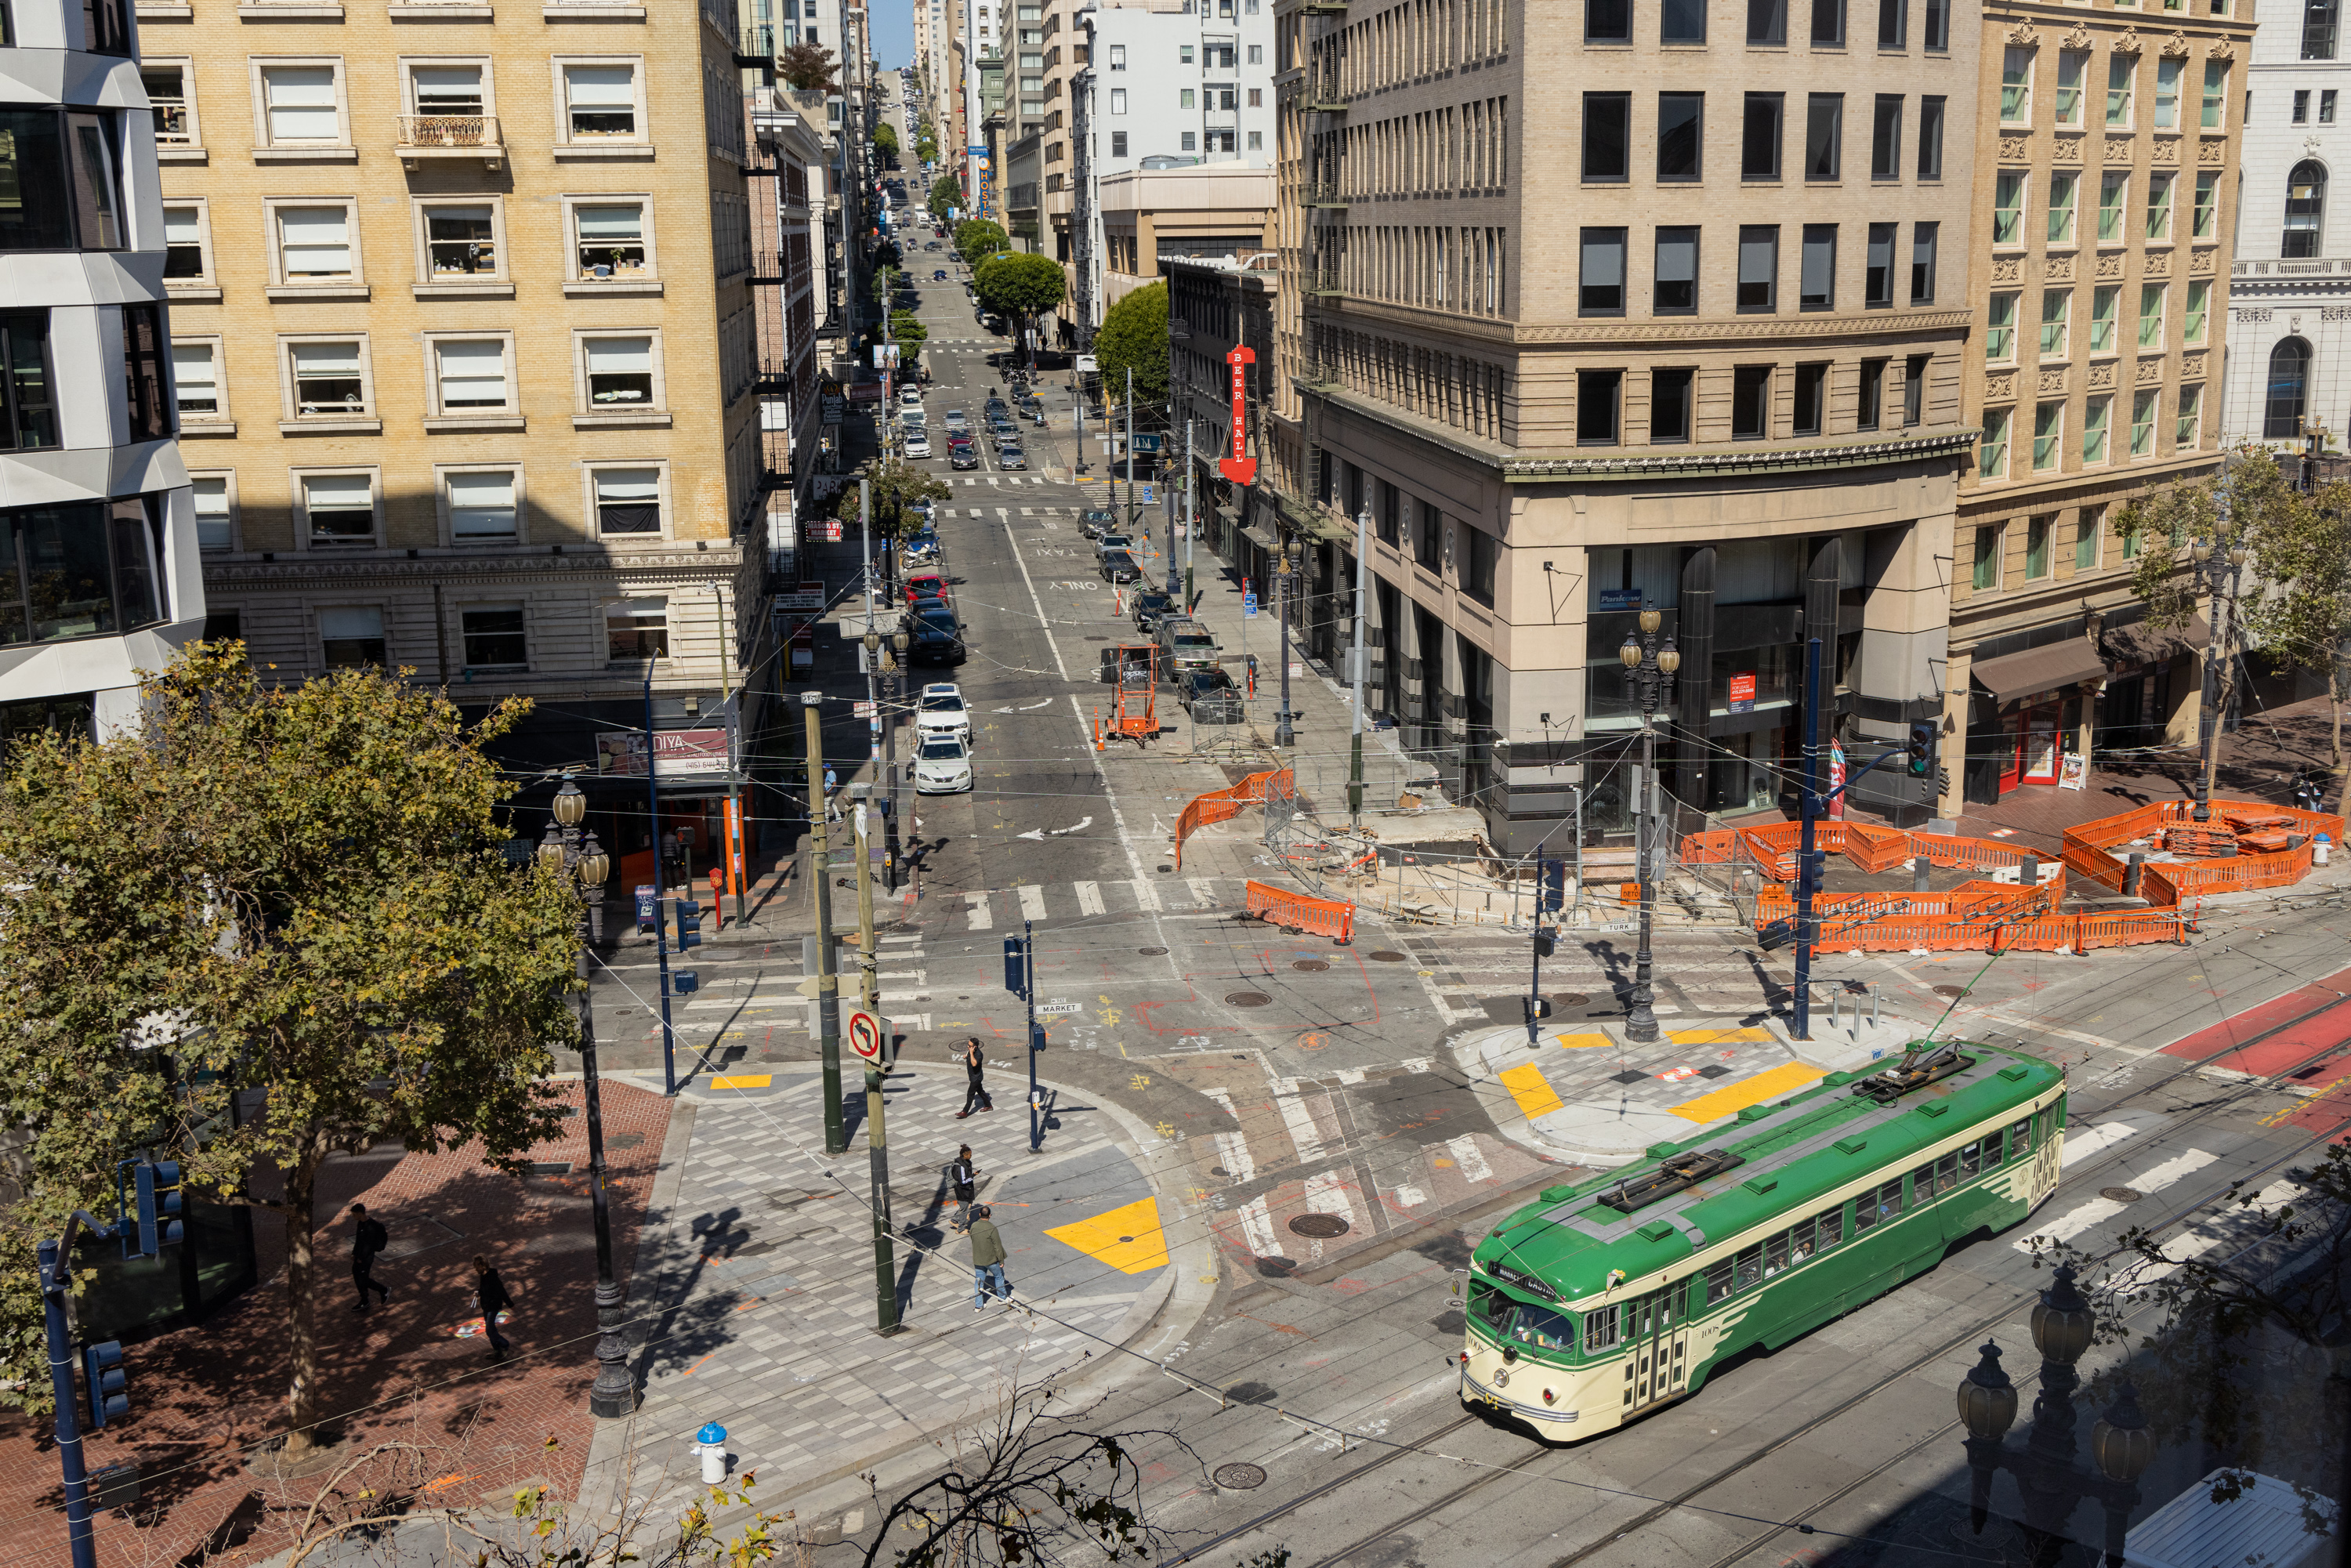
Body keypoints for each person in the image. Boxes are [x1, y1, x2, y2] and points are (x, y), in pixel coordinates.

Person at [473, 1254, 516, 1363]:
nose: (475, 1269)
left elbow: (502, 1291)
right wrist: (479, 1292)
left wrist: (510, 1304)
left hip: (493, 1306)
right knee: (490, 1331)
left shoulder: (493, 1277)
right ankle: (497, 1350)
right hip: (486, 1306)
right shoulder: (483, 1276)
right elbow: (484, 1289)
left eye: (477, 1266)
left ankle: (504, 1344)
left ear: (483, 1265)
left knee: (489, 1329)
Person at [968, 1205, 1011, 1310]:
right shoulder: (992, 1228)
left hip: (978, 1259)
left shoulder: (973, 1225)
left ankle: (978, 1305)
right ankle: (1002, 1298)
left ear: (979, 1215)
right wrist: (1001, 1260)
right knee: (999, 1276)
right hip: (991, 1260)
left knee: (979, 1281)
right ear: (990, 1216)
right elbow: (997, 1246)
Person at [350, 1204, 391, 1313]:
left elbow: (369, 1246)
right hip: (359, 1256)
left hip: (366, 1258)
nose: (353, 1216)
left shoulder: (371, 1227)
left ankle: (383, 1290)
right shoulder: (361, 1224)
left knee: (363, 1279)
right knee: (357, 1276)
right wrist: (354, 1253)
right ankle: (364, 1299)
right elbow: (358, 1240)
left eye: (354, 1214)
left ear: (360, 1213)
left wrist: (361, 1258)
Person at [957, 1037, 992, 1118]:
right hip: (973, 1076)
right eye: (968, 1045)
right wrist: (967, 1057)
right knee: (980, 1091)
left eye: (969, 1046)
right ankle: (988, 1105)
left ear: (975, 1047)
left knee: (970, 1094)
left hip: (976, 1078)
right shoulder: (971, 1051)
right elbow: (971, 1060)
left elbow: (974, 1064)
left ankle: (964, 1112)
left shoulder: (978, 1054)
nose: (968, 1047)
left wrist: (971, 1053)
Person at [945, 1144, 977, 1232]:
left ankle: (954, 1220)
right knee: (964, 1210)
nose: (971, 1156)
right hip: (962, 1191)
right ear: (965, 1155)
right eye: (970, 1154)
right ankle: (961, 1229)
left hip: (966, 1190)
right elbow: (963, 1181)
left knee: (964, 1207)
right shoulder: (961, 1167)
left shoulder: (965, 1163)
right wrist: (973, 1176)